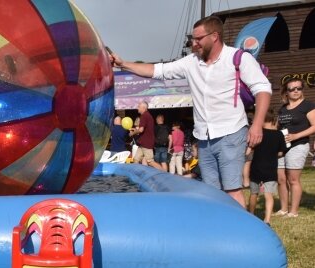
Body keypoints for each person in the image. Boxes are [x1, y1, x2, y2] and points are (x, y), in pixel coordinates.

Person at [110, 15, 272, 209]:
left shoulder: (237, 58)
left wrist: (256, 125)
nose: (193, 44)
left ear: (214, 36)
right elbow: (156, 70)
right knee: (210, 190)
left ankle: (241, 235)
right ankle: (216, 230)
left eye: (198, 39)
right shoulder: (191, 62)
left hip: (231, 132)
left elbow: (263, 89)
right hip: (204, 138)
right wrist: (123, 64)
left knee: (232, 190)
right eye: (192, 39)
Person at [275, 79, 315, 218]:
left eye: (299, 88)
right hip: (281, 147)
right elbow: (277, 127)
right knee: (280, 179)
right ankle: (283, 209)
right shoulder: (283, 108)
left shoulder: (307, 105)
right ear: (286, 92)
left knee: (293, 179)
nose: (296, 91)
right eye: (292, 89)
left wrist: (296, 135)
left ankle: (294, 211)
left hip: (298, 145)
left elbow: (314, 126)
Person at [248, 112, 287, 224]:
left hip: (256, 168)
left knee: (254, 193)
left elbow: (250, 148)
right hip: (270, 169)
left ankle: (250, 214)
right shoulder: (279, 134)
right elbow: (280, 153)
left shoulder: (258, 134)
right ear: (273, 120)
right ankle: (267, 219)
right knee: (268, 195)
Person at [128, 102, 160, 168]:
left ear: (144, 108)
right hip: (142, 143)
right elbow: (143, 129)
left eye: (139, 106)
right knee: (136, 159)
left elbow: (141, 130)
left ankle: (164, 174)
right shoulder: (147, 115)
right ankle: (137, 176)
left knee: (150, 161)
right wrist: (134, 129)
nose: (137, 108)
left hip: (146, 143)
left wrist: (133, 133)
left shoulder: (144, 116)